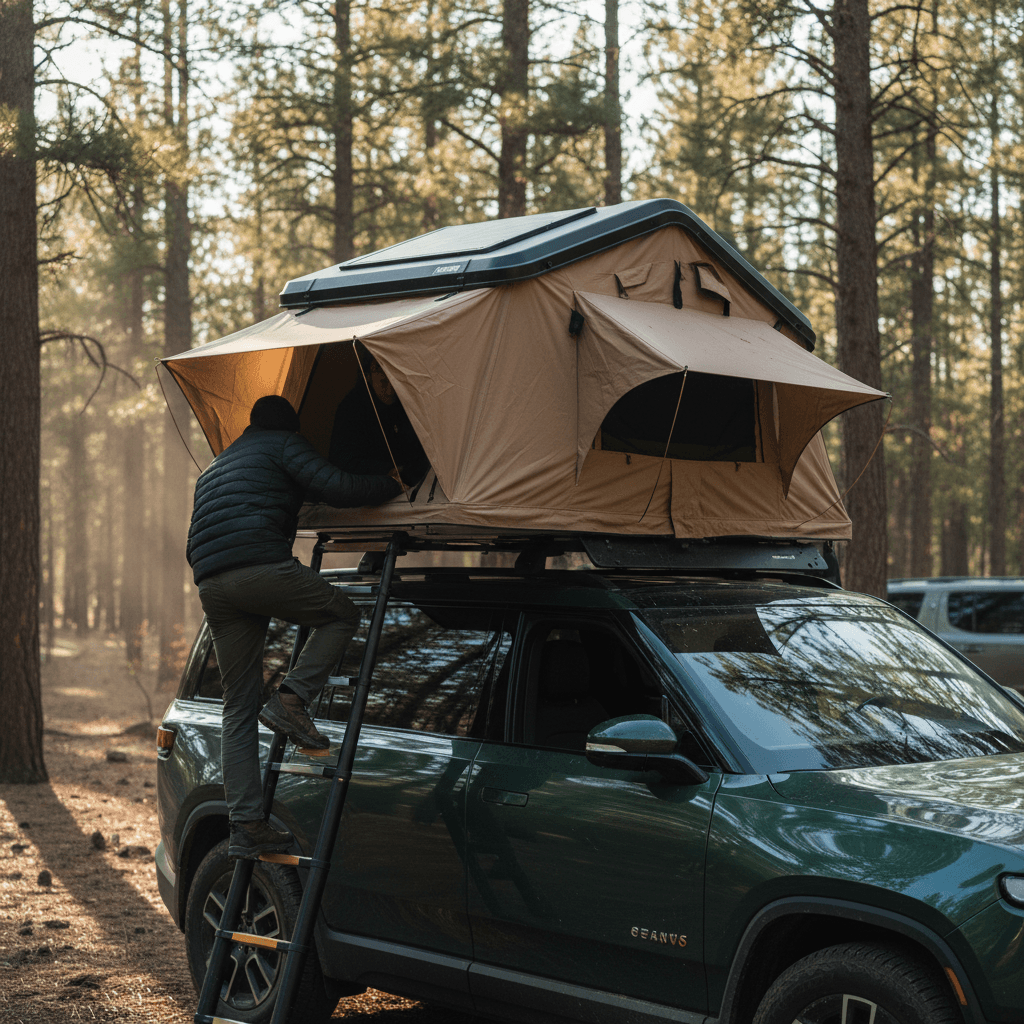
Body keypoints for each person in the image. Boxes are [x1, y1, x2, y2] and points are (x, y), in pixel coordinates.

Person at [186, 395, 402, 859]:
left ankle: (245, 824)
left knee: (238, 707)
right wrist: (388, 484)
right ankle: (292, 700)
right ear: (289, 426)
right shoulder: (283, 445)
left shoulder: (219, 464)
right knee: (341, 614)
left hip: (211, 584)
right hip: (259, 567)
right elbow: (338, 486)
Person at [329, 348, 430, 485]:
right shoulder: (352, 409)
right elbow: (343, 461)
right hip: (369, 485)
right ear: (368, 377)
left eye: (394, 382)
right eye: (383, 382)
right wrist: (386, 470)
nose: (390, 391)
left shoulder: (405, 400)